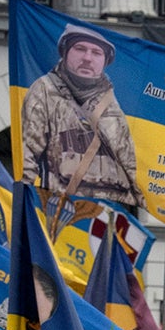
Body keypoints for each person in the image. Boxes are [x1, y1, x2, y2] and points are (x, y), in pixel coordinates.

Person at [18, 27, 141, 215]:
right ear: (66, 52)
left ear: (104, 62)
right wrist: (24, 208)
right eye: (80, 49)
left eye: (96, 53)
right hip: (60, 209)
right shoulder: (44, 91)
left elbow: (130, 167)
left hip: (105, 214)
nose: (87, 58)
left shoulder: (112, 105)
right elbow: (27, 155)